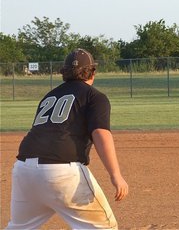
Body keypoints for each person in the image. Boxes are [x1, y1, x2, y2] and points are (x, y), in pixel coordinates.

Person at [6, 48, 129, 229]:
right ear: (93, 72)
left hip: (24, 170)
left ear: (64, 72)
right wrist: (116, 175)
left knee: (19, 227)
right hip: (61, 173)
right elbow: (101, 133)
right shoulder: (94, 96)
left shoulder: (50, 95)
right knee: (104, 227)